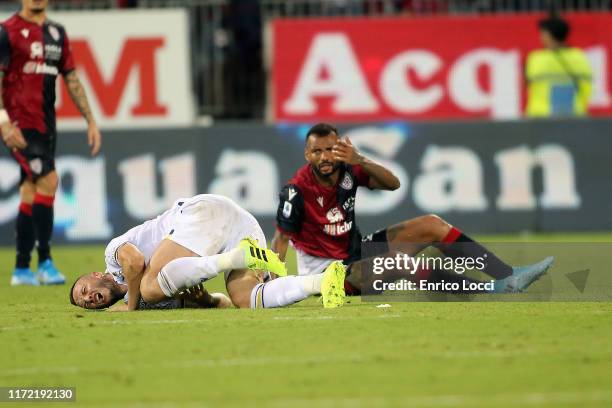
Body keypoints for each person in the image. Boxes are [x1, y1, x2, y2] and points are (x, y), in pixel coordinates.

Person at [271, 123, 554, 295]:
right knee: (401, 264)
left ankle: (507, 274)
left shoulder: (349, 171)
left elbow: (393, 184)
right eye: (317, 152)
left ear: (340, 147)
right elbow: (280, 240)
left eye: (330, 149)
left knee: (432, 224)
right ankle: (494, 289)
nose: (325, 157)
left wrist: (362, 160)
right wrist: (274, 287)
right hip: (331, 275)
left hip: (357, 252)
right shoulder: (297, 190)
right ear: (307, 155)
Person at [69, 194, 346, 310]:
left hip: (201, 212)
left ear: (95, 275)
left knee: (150, 286)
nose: (88, 298)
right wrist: (204, 299)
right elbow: (222, 302)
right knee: (245, 299)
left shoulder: (112, 256)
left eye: (83, 289)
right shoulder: (148, 301)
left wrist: (131, 308)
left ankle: (236, 258)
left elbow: (135, 261)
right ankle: (320, 282)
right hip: (239, 226)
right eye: (87, 303)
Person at [0, 0, 102, 286]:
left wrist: (91, 120)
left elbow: (71, 79)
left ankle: (21, 269)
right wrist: (3, 121)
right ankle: (44, 261)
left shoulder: (57, 33)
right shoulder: (7, 31)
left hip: (46, 126)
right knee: (49, 180)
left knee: (30, 191)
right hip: (20, 125)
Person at [526, 15, 592, 117]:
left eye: (542, 33)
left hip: (541, 118)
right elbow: (587, 88)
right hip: (574, 116)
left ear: (548, 35)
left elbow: (529, 87)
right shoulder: (580, 57)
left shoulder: (536, 59)